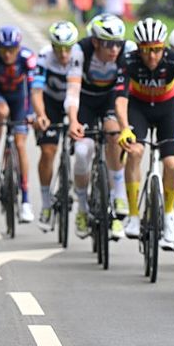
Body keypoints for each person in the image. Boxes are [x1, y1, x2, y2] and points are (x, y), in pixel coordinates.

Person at [115, 17, 174, 250]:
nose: (152, 56)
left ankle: (168, 215)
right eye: (146, 50)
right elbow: (120, 99)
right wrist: (124, 127)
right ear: (138, 49)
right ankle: (134, 215)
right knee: (134, 152)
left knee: (173, 166)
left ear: (163, 47)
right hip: (139, 109)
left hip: (167, 110)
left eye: (156, 50)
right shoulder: (128, 60)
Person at [67, 14, 128, 239]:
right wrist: (73, 121)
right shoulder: (80, 51)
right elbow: (72, 91)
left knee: (114, 136)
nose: (114, 49)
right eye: (108, 44)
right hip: (86, 100)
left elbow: (124, 93)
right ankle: (82, 207)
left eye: (117, 44)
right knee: (83, 151)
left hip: (111, 99)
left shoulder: (125, 51)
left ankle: (117, 196)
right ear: (95, 42)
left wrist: (125, 125)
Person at [32, 21, 83, 230]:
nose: (63, 54)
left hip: (77, 102)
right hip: (51, 103)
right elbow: (36, 91)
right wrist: (41, 115)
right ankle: (45, 203)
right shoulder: (44, 57)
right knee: (48, 150)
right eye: (58, 49)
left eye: (67, 49)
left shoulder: (80, 56)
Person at [0, 26, 36, 222]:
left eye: (12, 49)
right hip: (0, 95)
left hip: (20, 98)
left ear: (18, 47)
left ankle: (25, 201)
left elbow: (32, 88)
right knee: (1, 113)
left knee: (21, 145)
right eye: (3, 50)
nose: (7, 54)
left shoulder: (28, 57)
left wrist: (30, 113)